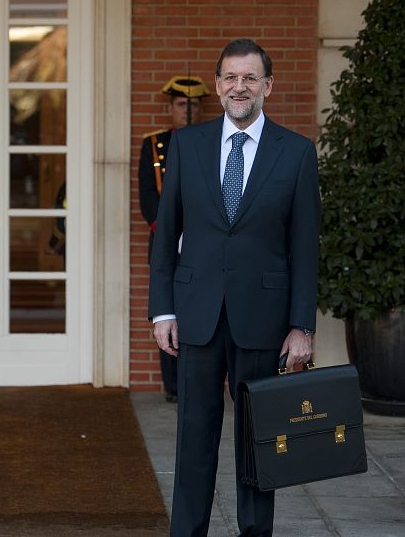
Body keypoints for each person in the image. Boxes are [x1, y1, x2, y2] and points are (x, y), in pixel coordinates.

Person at [148, 39, 320, 536]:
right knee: (194, 442)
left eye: (250, 78)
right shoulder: (187, 145)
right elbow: (167, 235)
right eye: (230, 77)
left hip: (264, 321)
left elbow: (304, 248)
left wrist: (301, 326)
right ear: (219, 85)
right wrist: (163, 311)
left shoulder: (297, 153)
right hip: (197, 316)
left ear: (268, 86)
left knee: (257, 445)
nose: (239, 87)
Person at [138, 75, 210, 403]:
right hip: (166, 240)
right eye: (182, 105)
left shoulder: (213, 142)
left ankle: (198, 381)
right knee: (166, 311)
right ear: (171, 108)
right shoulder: (154, 144)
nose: (188, 111)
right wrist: (172, 231)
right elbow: (148, 201)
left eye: (194, 105)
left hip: (205, 241)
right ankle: (173, 386)